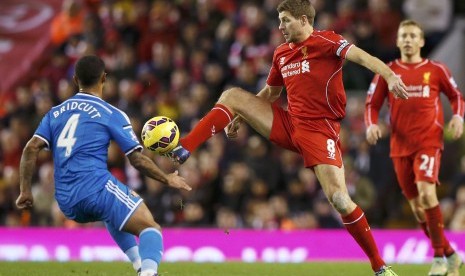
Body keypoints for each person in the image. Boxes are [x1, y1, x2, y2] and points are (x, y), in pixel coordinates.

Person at [167, 1, 408, 275]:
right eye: (279, 21)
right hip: (290, 124)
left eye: (285, 20)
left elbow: (363, 58)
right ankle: (185, 146)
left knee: (340, 200)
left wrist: (389, 76)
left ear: (304, 19)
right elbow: (270, 94)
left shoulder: (327, 41)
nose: (280, 26)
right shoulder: (281, 54)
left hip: (320, 130)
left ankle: (379, 266)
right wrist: (240, 117)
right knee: (232, 96)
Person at [15, 55, 192, 276]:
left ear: (75, 79)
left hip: (65, 200)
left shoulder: (55, 112)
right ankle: (148, 273)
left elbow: (30, 149)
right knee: (150, 228)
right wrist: (167, 178)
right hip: (94, 188)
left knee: (114, 213)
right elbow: (136, 159)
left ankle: (138, 266)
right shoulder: (111, 113)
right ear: (104, 78)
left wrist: (25, 191)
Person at [364, 20, 464, 276]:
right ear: (398, 41)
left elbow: (456, 96)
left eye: (413, 36)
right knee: (418, 207)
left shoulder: (436, 69)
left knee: (427, 194)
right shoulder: (388, 71)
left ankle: (439, 258)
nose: (408, 40)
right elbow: (371, 104)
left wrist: (457, 117)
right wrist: (371, 125)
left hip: (428, 141)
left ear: (421, 41)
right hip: (400, 146)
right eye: (403, 36)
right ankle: (451, 255)